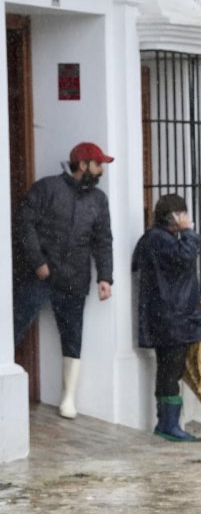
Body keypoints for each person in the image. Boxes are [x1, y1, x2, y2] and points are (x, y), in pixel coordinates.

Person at [13, 141, 114, 419]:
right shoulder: (46, 188)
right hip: (39, 275)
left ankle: (68, 398)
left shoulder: (98, 200)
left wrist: (105, 277)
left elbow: (103, 240)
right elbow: (25, 224)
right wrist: (38, 262)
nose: (102, 170)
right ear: (83, 165)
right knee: (13, 325)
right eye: (98, 164)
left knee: (73, 338)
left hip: (75, 277)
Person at [132, 194, 201, 442]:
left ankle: (168, 422)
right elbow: (185, 258)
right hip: (172, 318)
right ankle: (167, 424)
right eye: (183, 215)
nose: (187, 219)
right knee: (169, 371)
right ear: (174, 216)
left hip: (171, 316)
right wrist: (189, 232)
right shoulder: (160, 240)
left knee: (170, 370)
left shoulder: (158, 239)